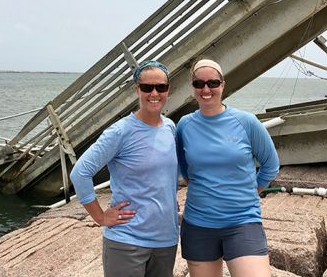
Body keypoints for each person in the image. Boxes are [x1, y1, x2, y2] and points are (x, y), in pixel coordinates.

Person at [70, 60, 179, 277]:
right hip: (128, 241)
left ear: (168, 89)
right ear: (137, 89)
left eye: (161, 87)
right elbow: (80, 174)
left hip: (166, 240)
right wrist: (100, 217)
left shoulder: (170, 127)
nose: (154, 93)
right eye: (147, 88)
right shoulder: (120, 131)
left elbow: (166, 173)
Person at [176, 59, 279, 277]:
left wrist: (254, 191)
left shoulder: (247, 122)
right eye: (199, 83)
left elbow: (270, 164)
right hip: (198, 224)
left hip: (242, 221)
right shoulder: (184, 125)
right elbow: (183, 166)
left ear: (223, 85)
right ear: (193, 87)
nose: (206, 89)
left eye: (213, 83)